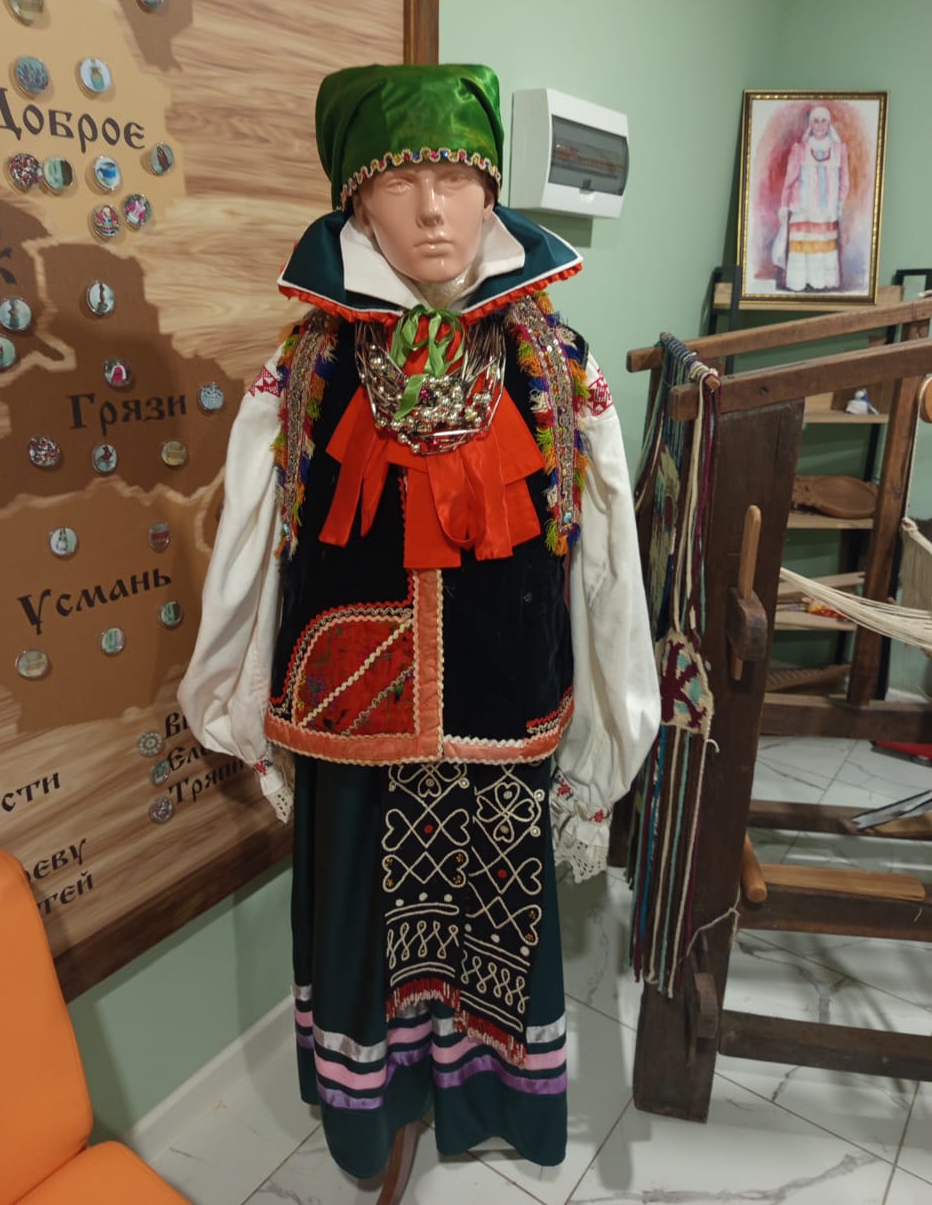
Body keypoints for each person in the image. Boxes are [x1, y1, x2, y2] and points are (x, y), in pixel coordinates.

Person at [178, 63, 658, 1179]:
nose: (433, 210)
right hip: (352, 713)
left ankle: (485, 1098)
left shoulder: (556, 363)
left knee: (498, 914)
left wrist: (613, 717)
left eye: (458, 178)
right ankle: (373, 1111)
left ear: (493, 192)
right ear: (355, 199)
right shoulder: (303, 365)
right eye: (400, 183)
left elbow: (607, 564)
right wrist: (234, 696)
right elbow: (252, 547)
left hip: (504, 702)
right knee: (357, 918)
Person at [773, 104, 850, 292]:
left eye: (824, 121)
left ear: (829, 124)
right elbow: (789, 180)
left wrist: (840, 204)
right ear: (811, 124)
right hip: (802, 210)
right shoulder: (799, 149)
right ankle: (800, 281)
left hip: (827, 212)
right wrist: (784, 205)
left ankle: (823, 282)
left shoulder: (839, 150)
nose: (820, 125)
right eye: (816, 121)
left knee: (823, 247)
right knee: (803, 248)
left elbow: (844, 181)